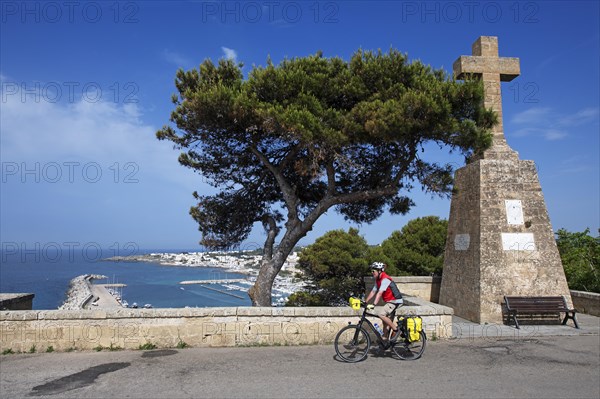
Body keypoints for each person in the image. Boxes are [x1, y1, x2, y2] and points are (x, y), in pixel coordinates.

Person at [364, 262, 403, 341]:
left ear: (379, 271)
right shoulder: (378, 280)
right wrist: (365, 302)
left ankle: (396, 330)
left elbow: (379, 293)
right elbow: (373, 292)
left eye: (373, 271)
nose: (372, 273)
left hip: (395, 301)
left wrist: (374, 304)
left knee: (381, 314)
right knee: (384, 320)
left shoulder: (385, 279)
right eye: (371, 271)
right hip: (390, 301)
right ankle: (385, 339)